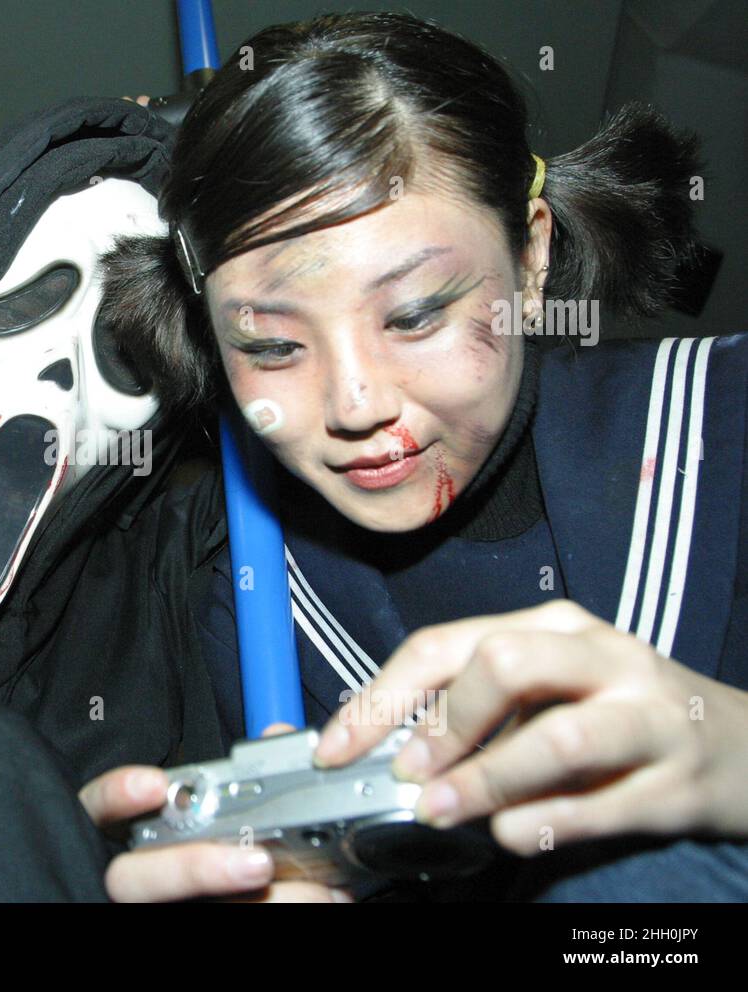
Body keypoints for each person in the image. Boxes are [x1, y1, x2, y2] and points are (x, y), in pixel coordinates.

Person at [89, 11, 748, 902]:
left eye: (416, 314)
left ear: (532, 254)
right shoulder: (241, 625)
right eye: (273, 347)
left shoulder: (727, 427)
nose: (356, 405)